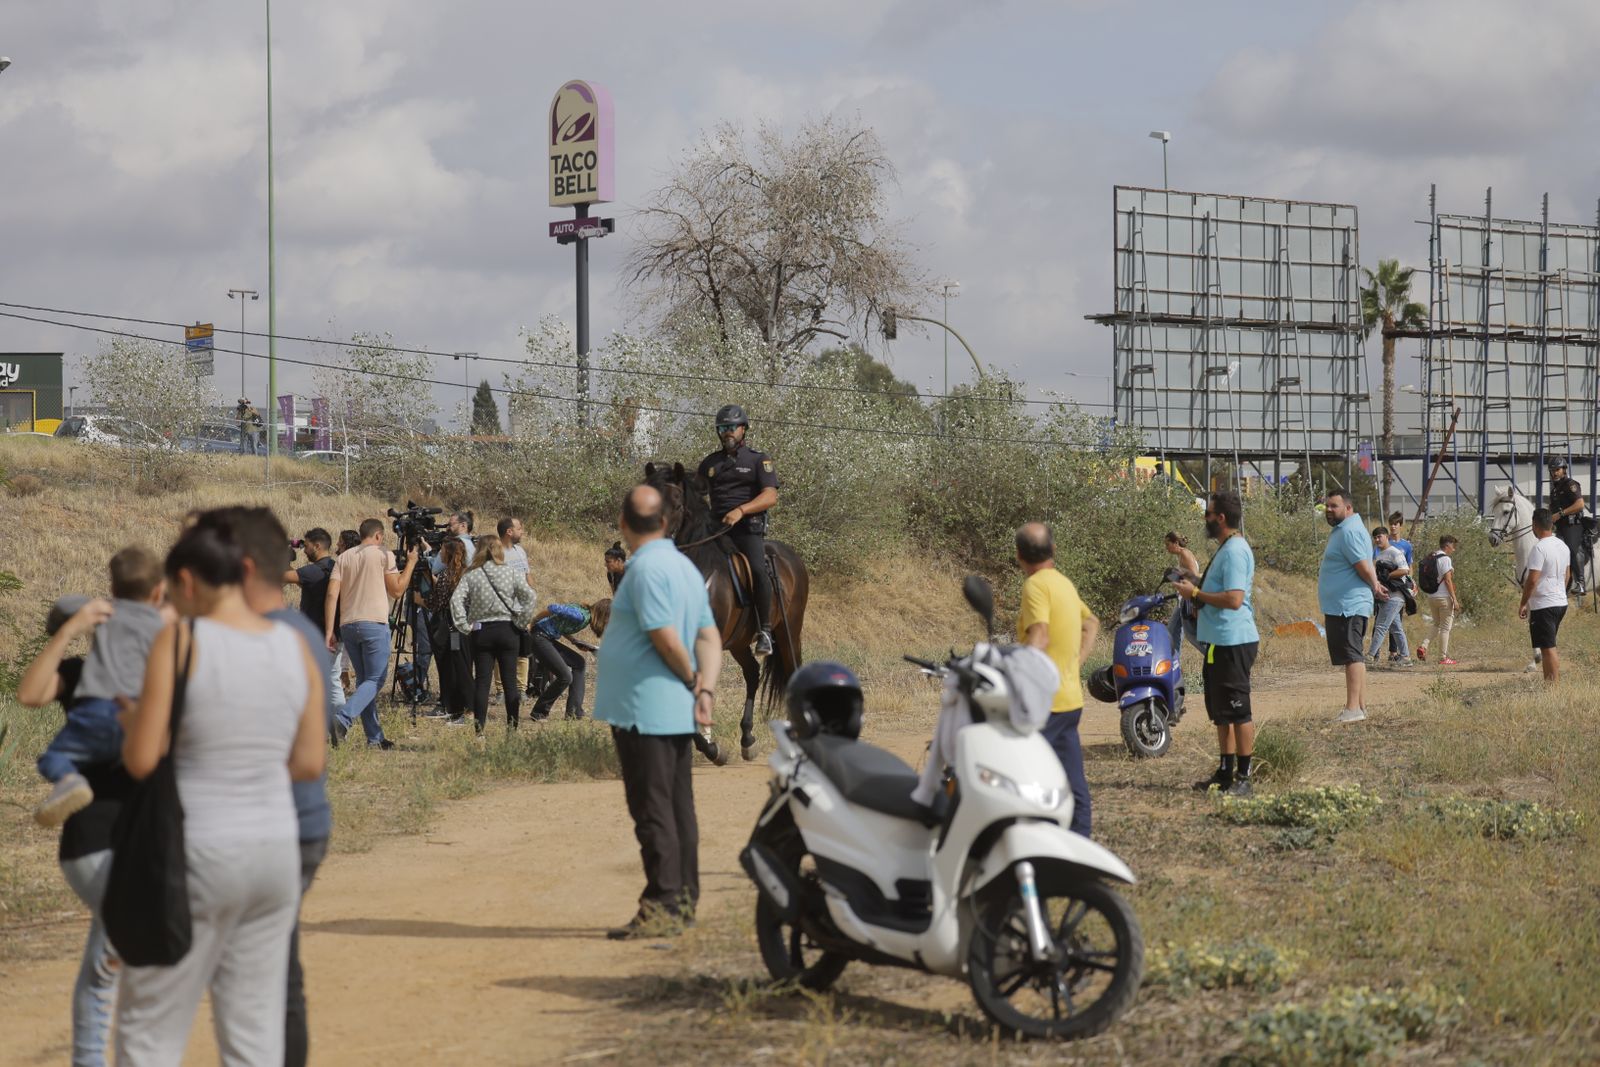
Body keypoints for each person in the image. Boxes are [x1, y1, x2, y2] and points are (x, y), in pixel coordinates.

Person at [115, 513, 326, 1066]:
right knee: (253, 1028)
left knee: (150, 1027)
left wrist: (133, 721)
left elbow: (141, 759)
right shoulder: (292, 646)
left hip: (198, 851)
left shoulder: (181, 639)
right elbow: (308, 762)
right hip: (274, 852)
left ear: (187, 582)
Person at [207, 506, 333, 1067]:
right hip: (302, 825)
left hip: (253, 830)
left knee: (239, 976)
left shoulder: (239, 635)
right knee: (278, 970)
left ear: (242, 563)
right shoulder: (301, 632)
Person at [594, 484, 721, 938]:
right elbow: (708, 636)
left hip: (643, 707)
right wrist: (705, 689)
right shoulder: (684, 567)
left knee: (652, 809)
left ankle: (663, 905)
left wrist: (692, 682)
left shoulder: (643, 570)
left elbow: (666, 638)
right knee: (678, 806)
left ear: (624, 524)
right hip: (673, 708)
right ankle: (683, 900)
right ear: (667, 523)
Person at [16, 599, 136, 1066]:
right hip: (99, 839)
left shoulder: (143, 668)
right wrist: (66, 633)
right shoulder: (79, 674)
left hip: (130, 838)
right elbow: (30, 693)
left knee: (108, 963)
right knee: (118, 962)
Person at [32, 546, 167, 827]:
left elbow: (64, 606)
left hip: (94, 707)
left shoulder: (105, 609)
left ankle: (70, 780)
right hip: (138, 713)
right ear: (157, 591)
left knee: (54, 756)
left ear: (113, 587)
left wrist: (60, 625)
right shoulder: (163, 621)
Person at [1014, 522, 1098, 838]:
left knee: (1029, 784)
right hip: (1070, 700)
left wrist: (1016, 673)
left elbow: (1039, 634)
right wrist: (1073, 665)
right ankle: (1080, 848)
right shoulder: (1064, 584)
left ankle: (1039, 846)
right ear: (1054, 551)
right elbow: (1090, 623)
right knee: (1073, 782)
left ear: (1019, 555)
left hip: (1043, 703)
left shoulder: (1035, 586)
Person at [1175, 492, 1260, 797]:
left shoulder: (1236, 550)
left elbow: (1234, 599)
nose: (1205, 519)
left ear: (1221, 518)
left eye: (1208, 514)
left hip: (1234, 640)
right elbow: (1221, 588)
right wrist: (1195, 580)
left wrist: (1195, 595)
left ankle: (1244, 778)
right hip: (1217, 641)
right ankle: (1225, 772)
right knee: (1221, 711)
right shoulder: (1226, 548)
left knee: (1238, 711)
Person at [325, 518, 417, 749]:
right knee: (376, 679)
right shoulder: (383, 554)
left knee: (366, 682)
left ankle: (375, 738)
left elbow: (331, 595)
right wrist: (412, 563)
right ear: (378, 536)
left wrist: (329, 630)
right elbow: (396, 590)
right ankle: (342, 718)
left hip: (348, 625)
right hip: (373, 623)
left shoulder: (343, 558)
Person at [696, 403, 779, 657]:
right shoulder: (709, 463)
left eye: (732, 427)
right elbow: (696, 495)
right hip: (716, 529)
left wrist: (741, 510)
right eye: (722, 428)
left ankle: (764, 630)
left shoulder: (758, 459)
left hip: (747, 529)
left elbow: (770, 496)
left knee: (756, 568)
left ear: (743, 429)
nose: (727, 432)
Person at [450, 538, 537, 732]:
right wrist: (521, 621)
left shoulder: (472, 575)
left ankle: (479, 732)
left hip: (481, 631)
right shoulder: (511, 572)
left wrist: (464, 625)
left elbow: (456, 600)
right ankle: (512, 729)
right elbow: (530, 596)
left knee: (482, 682)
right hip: (507, 629)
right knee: (510, 682)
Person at [1319, 490, 1389, 723]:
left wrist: (1375, 586)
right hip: (1342, 604)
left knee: (1352, 656)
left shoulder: (1349, 531)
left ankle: (1352, 709)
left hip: (1348, 605)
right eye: (1327, 506)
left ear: (1348, 508)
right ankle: (1359, 706)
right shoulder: (1344, 530)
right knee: (1353, 655)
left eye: (1334, 506)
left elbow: (1363, 565)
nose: (1329, 509)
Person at [284, 527, 347, 728]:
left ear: (317, 546)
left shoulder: (313, 571)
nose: (304, 550)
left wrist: (282, 555)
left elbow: (284, 576)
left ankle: (330, 722)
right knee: (333, 679)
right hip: (335, 633)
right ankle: (339, 722)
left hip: (318, 636)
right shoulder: (334, 567)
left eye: (307, 545)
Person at [527, 599, 611, 721]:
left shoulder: (584, 616)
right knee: (565, 676)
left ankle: (574, 712)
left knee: (579, 663)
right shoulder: (579, 616)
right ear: (603, 615)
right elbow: (552, 608)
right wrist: (533, 622)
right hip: (539, 637)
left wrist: (574, 641)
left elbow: (561, 623)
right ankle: (538, 712)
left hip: (547, 638)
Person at [425, 537, 474, 726]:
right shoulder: (465, 573)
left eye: (442, 552)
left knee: (457, 667)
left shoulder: (447, 575)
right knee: (460, 665)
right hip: (463, 627)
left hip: (451, 628)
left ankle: (467, 709)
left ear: (448, 553)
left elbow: (437, 603)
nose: (440, 555)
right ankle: (457, 707)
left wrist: (422, 597)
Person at [1519, 508, 1571, 684]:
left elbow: (1532, 580)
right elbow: (1567, 575)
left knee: (1548, 648)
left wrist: (1523, 602)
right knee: (1547, 645)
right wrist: (1559, 593)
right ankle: (1550, 684)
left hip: (1544, 605)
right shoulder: (1563, 546)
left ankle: (1553, 688)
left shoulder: (1539, 548)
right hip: (1560, 603)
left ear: (1535, 525)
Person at [499, 516, 537, 698]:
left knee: (523, 650)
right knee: (501, 650)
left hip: (522, 610)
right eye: (519, 528)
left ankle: (521, 689)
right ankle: (501, 690)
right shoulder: (496, 552)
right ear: (509, 531)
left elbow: (528, 575)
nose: (522, 531)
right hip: (502, 610)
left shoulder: (520, 551)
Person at [1367, 527, 1414, 667]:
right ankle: (1405, 657)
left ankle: (1369, 656)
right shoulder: (1380, 554)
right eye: (1374, 537)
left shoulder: (1395, 552)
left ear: (1386, 536)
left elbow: (1405, 569)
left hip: (1396, 596)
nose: (1377, 539)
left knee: (1381, 626)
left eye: (1379, 536)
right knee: (1396, 628)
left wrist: (1388, 575)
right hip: (1386, 596)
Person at [1416, 535, 1461, 666]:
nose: (1453, 549)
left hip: (1432, 597)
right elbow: (1447, 580)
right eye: (1453, 546)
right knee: (1445, 628)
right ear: (1447, 546)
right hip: (1444, 598)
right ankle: (1442, 657)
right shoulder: (1445, 559)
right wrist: (1455, 599)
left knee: (1436, 624)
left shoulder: (1432, 556)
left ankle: (1424, 645)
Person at [1547, 459, 1587, 595]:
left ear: (1564, 469)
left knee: (1571, 547)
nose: (1554, 473)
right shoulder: (1554, 490)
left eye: (1557, 470)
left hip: (1573, 525)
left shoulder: (1571, 484)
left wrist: (1560, 514)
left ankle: (1581, 583)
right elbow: (1552, 510)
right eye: (1552, 471)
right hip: (1560, 527)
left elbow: (1580, 504)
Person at [1163, 531, 1201, 652]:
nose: (1166, 547)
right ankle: (1175, 665)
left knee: (1191, 635)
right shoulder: (1181, 555)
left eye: (1168, 544)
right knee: (1172, 631)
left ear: (1176, 542)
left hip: (1189, 600)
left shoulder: (1185, 554)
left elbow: (1195, 578)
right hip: (1183, 599)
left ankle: (1216, 659)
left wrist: (1194, 604)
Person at [1383, 512, 1414, 662]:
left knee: (1397, 617)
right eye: (1391, 524)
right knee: (1384, 618)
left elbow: (1409, 566)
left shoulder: (1406, 545)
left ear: (1401, 525)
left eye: (1396, 524)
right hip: (1386, 584)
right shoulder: (1385, 542)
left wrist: (1411, 583)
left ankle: (1394, 652)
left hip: (1401, 587)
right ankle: (1379, 653)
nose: (1393, 526)